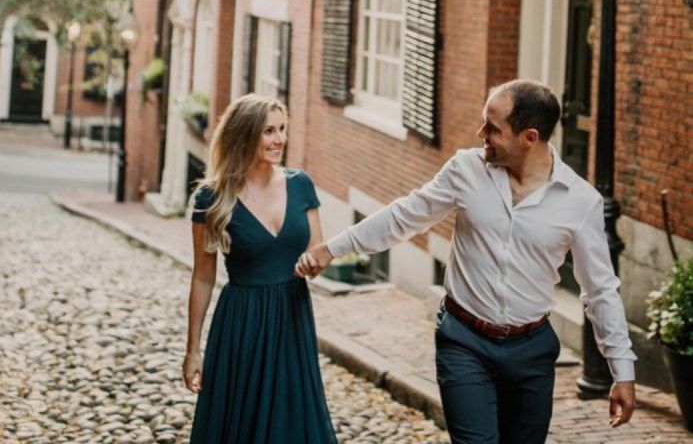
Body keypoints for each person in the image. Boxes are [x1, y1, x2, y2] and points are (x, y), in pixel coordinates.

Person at [295, 79, 637, 444]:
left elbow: (600, 290)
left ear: (529, 137)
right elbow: (404, 217)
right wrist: (331, 248)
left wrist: (622, 370)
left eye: (493, 128)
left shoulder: (580, 202)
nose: (481, 133)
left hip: (531, 351)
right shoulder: (466, 170)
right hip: (465, 341)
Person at [184, 94, 338, 444]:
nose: (279, 139)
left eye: (282, 129)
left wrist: (312, 264)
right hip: (242, 321)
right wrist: (193, 349)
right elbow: (203, 277)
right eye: (269, 131)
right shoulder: (212, 198)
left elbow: (317, 252)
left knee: (291, 417)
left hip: (291, 317)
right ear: (245, 134)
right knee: (242, 421)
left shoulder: (301, 185)